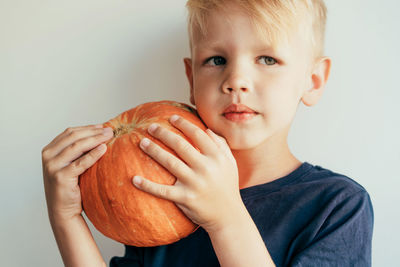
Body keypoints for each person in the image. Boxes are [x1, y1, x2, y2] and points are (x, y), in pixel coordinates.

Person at [41, 0, 374, 266]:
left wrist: (225, 219)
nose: (236, 80)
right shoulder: (160, 191)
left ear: (313, 81)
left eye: (267, 59)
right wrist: (66, 217)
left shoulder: (336, 206)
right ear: (191, 80)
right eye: (216, 59)